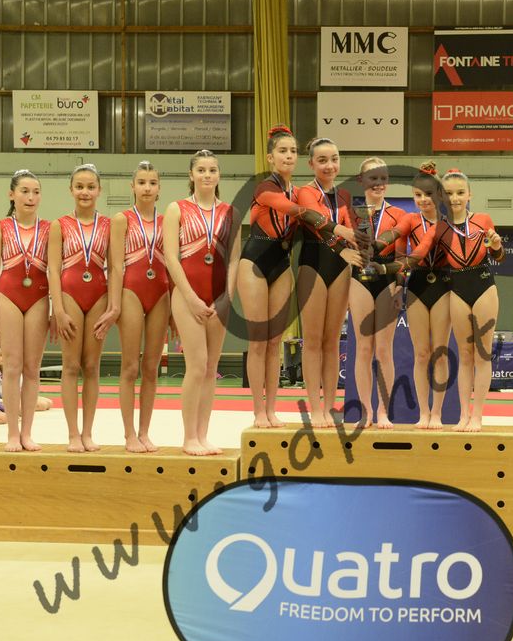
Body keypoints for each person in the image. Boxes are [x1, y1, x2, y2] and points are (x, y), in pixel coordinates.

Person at [237, 126, 357, 429]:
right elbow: (298, 212)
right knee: (258, 341)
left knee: (275, 342)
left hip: (282, 264)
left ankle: (272, 410)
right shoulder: (265, 187)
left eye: (292, 151)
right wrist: (340, 230)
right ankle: (258, 411)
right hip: (255, 263)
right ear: (270, 157)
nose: (288, 156)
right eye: (282, 151)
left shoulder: (298, 189)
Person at [163, 150, 240, 455]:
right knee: (196, 366)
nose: (207, 175)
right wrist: (191, 298)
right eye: (201, 170)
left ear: (219, 175)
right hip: (187, 296)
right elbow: (171, 258)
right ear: (191, 175)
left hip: (219, 297)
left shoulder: (230, 212)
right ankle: (189, 438)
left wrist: (227, 297)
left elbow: (234, 259)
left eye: (212, 170)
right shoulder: (176, 209)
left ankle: (203, 435)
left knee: (211, 368)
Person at [293, 138, 365, 427]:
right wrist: (344, 240)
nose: (329, 165)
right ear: (311, 163)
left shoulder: (344, 195)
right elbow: (318, 224)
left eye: (334, 159)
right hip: (313, 264)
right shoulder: (304, 192)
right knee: (312, 340)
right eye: (322, 160)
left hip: (340, 267)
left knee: (332, 341)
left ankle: (330, 405)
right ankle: (315, 407)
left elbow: (353, 230)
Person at [0, 169, 50, 452]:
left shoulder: (50, 228)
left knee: (32, 368)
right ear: (12, 195)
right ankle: (12, 432)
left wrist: (56, 309)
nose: (30, 197)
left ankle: (27, 432)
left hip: (39, 297)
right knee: (11, 366)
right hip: (7, 295)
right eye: (24, 191)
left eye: (36, 192)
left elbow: (56, 271)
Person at [49, 164, 113, 453]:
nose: (85, 192)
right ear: (71, 190)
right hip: (70, 294)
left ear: (99, 190)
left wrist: (113, 306)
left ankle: (88, 432)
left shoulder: (109, 225)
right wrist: (58, 309)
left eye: (90, 187)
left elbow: (116, 267)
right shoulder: (60, 225)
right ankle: (73, 433)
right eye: (79, 187)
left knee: (91, 366)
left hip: (99, 294)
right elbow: (53, 269)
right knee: (71, 365)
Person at [108, 161, 170, 452]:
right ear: (132, 187)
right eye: (142, 182)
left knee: (151, 367)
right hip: (131, 290)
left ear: (159, 188)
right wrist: (114, 304)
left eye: (152, 183)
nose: (147, 188)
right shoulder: (121, 219)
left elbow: (173, 264)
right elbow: (115, 266)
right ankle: (129, 434)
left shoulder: (168, 220)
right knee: (130, 366)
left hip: (161, 292)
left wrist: (175, 310)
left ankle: (145, 432)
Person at [344, 157, 408, 428]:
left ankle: (383, 411)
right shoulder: (350, 213)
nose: (378, 183)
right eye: (372, 177)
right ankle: (365, 411)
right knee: (363, 347)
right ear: (362, 181)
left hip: (387, 279)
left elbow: (402, 256)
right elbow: (341, 247)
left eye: (383, 177)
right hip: (359, 278)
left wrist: (400, 286)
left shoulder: (400, 215)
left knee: (383, 348)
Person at [439, 168, 504, 432]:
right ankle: (463, 415)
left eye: (460, 192)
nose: (455, 198)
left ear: (469, 195)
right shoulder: (440, 228)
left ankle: (477, 415)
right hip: (457, 288)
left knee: (482, 353)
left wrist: (496, 246)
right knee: (464, 355)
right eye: (449, 193)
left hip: (483, 285)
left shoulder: (482, 219)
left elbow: (498, 256)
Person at [398, 162, 452, 429]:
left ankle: (437, 413)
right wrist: (397, 284)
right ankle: (423, 413)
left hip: (443, 283)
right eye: (417, 195)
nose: (423, 200)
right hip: (418, 283)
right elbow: (400, 254)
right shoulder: (410, 220)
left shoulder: (449, 222)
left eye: (428, 194)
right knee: (421, 354)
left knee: (439, 353)